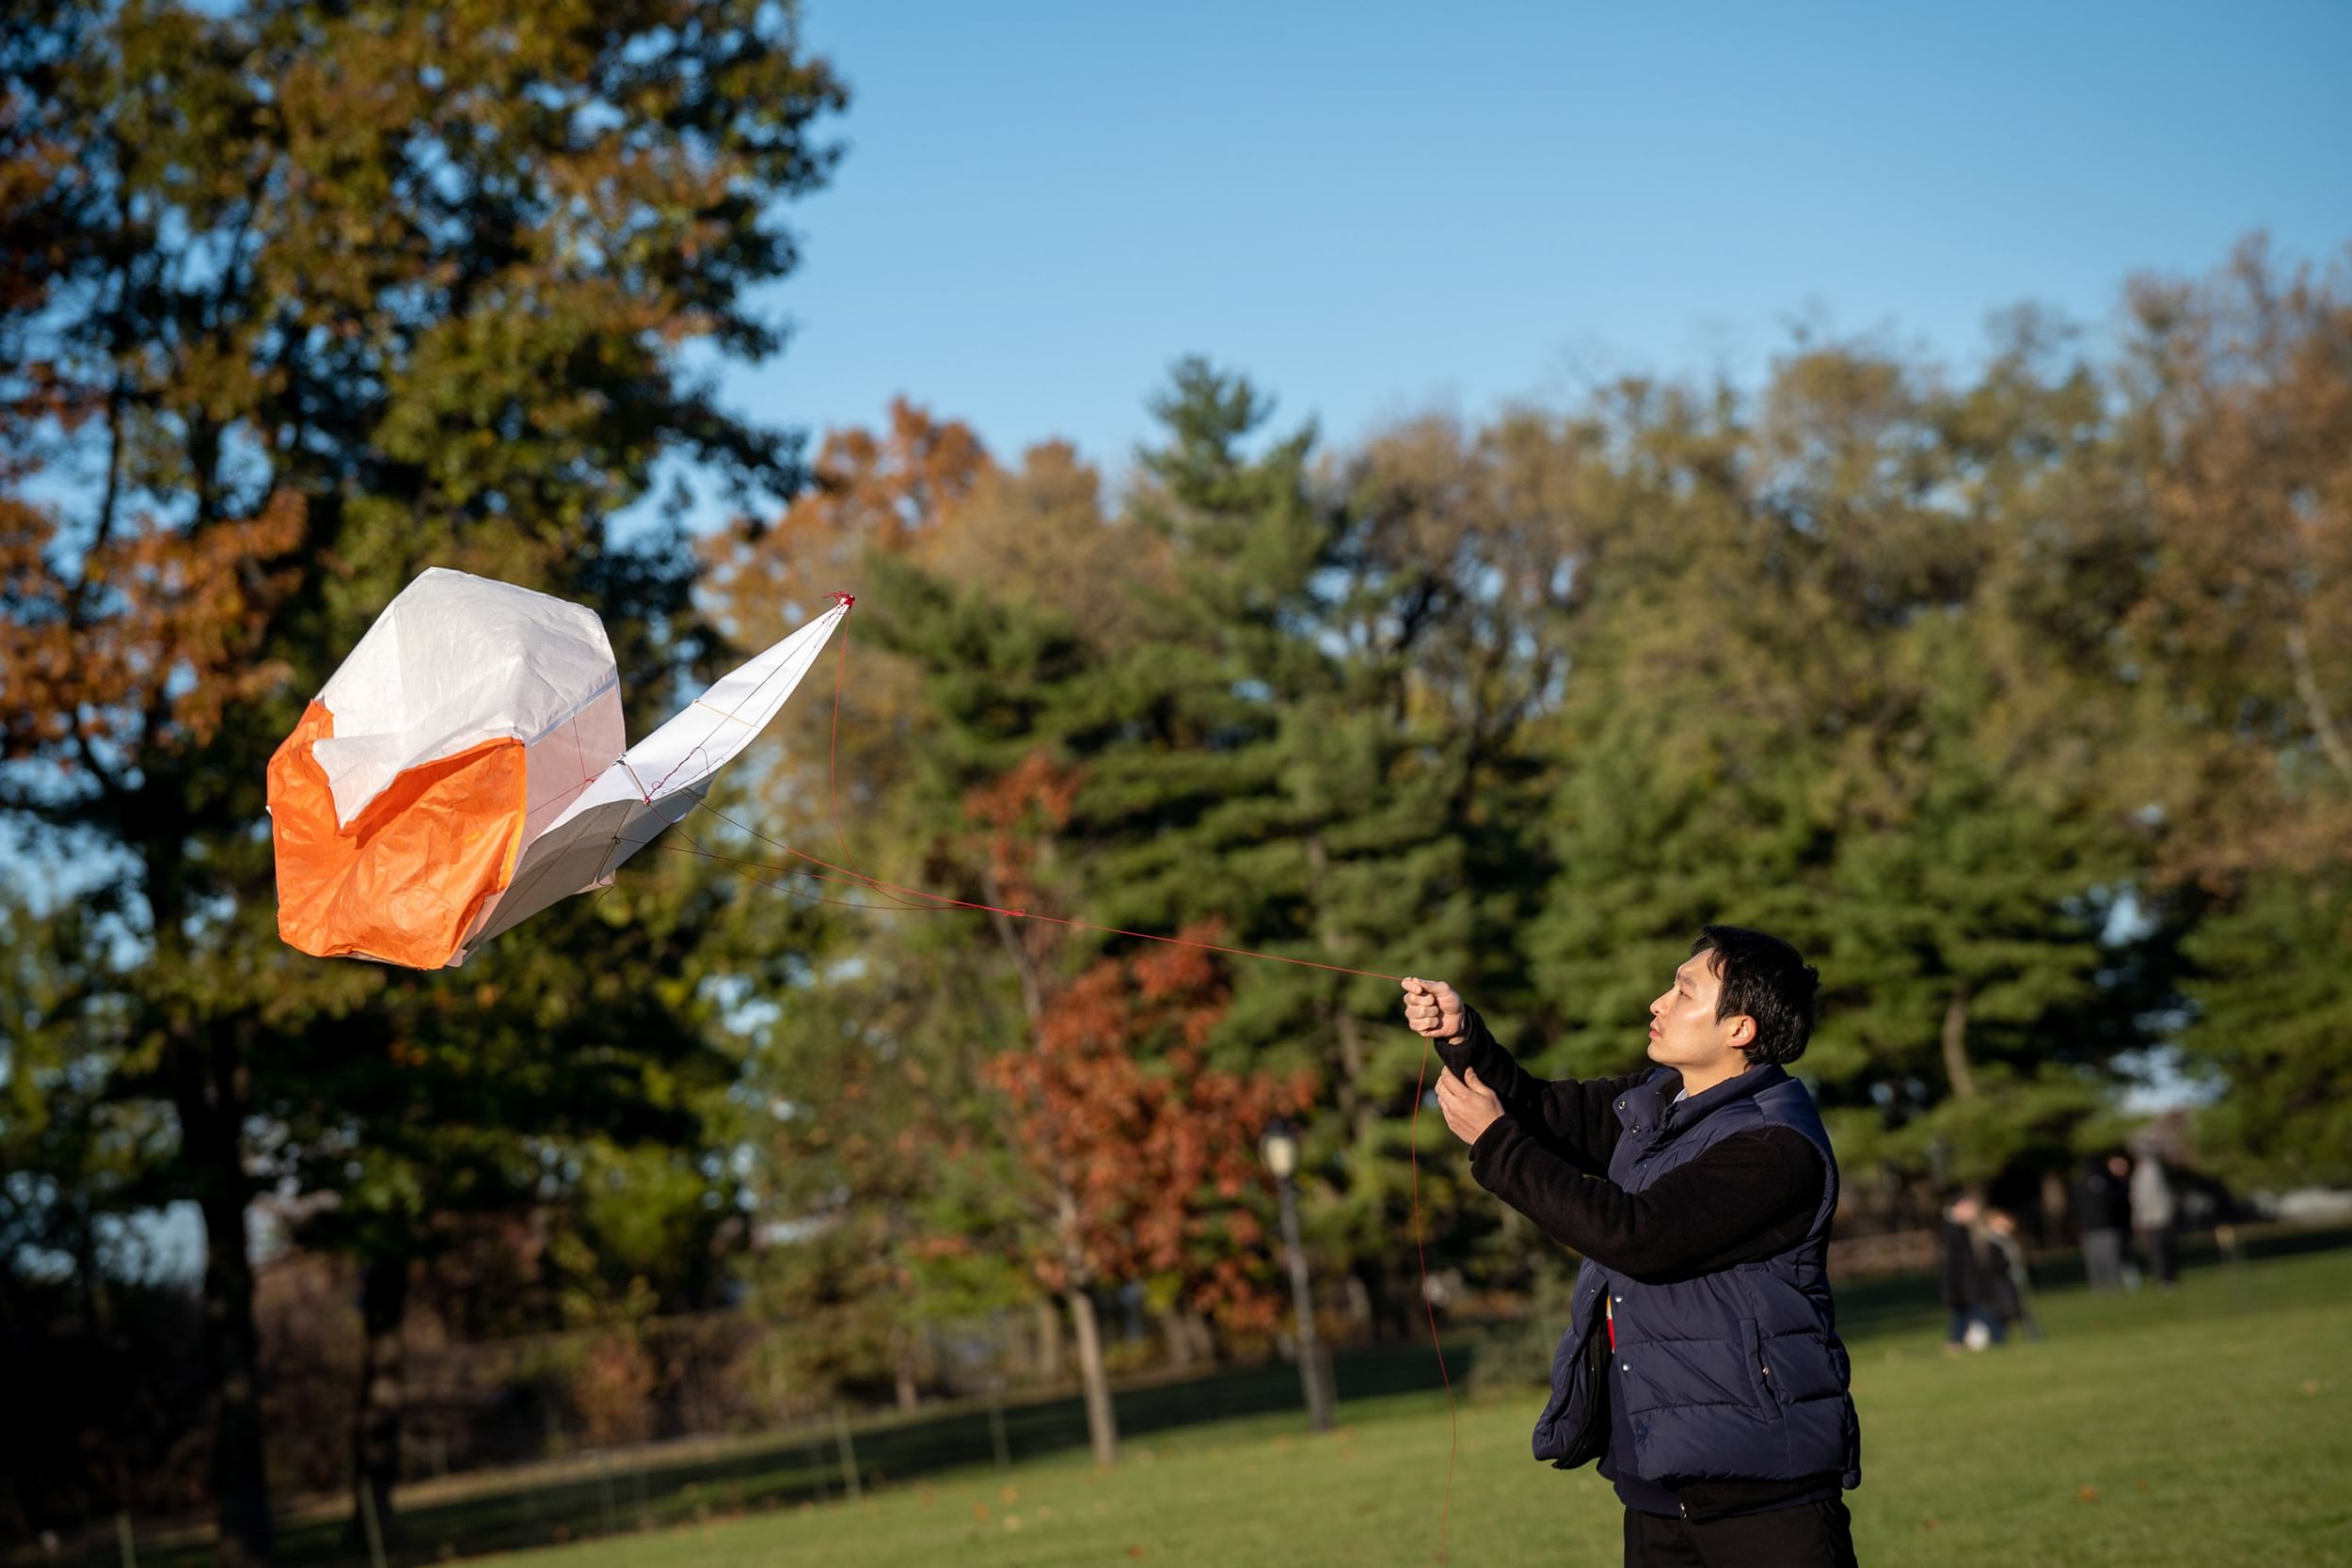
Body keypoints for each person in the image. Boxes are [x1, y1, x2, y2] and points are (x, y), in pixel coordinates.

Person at [1404, 926, 1859, 1568]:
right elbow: (1539, 1110)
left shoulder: (1773, 1145)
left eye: (1684, 990)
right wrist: (1460, 1036)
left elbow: (1638, 1235)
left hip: (1762, 1487)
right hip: (1656, 1484)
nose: (1658, 1001)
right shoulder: (1660, 1104)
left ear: (1740, 1029)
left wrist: (1497, 1143)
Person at [2074, 1153, 2132, 1291]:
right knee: (2111, 1260)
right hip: (2108, 1227)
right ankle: (2114, 1285)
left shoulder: (2080, 1183)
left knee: (2096, 1262)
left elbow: (2076, 1206)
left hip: (2091, 1229)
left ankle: (2100, 1287)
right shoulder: (2109, 1181)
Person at [1979, 1209, 2039, 1342]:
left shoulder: (2008, 1239)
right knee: (2006, 1312)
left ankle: (2032, 1335)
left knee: (2020, 1309)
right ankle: (1999, 1338)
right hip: (2002, 1283)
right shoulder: (1992, 1242)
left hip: (2012, 1280)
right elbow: (1996, 1263)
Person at [1937, 1193, 1987, 1351]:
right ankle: (1956, 1344)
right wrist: (1952, 1289)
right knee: (1968, 1317)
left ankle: (1957, 1344)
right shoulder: (1950, 1232)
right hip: (1961, 1286)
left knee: (1963, 1318)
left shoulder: (1959, 1230)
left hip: (1965, 1285)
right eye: (1970, 1209)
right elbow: (1950, 1265)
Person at [2131, 1147, 2178, 1289]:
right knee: (2159, 1249)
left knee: (2159, 1250)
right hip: (2155, 1217)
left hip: (2155, 1218)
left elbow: (2147, 1197)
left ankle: (2165, 1279)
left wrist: (2142, 1218)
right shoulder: (2146, 1170)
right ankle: (2165, 1277)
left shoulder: (2149, 1170)